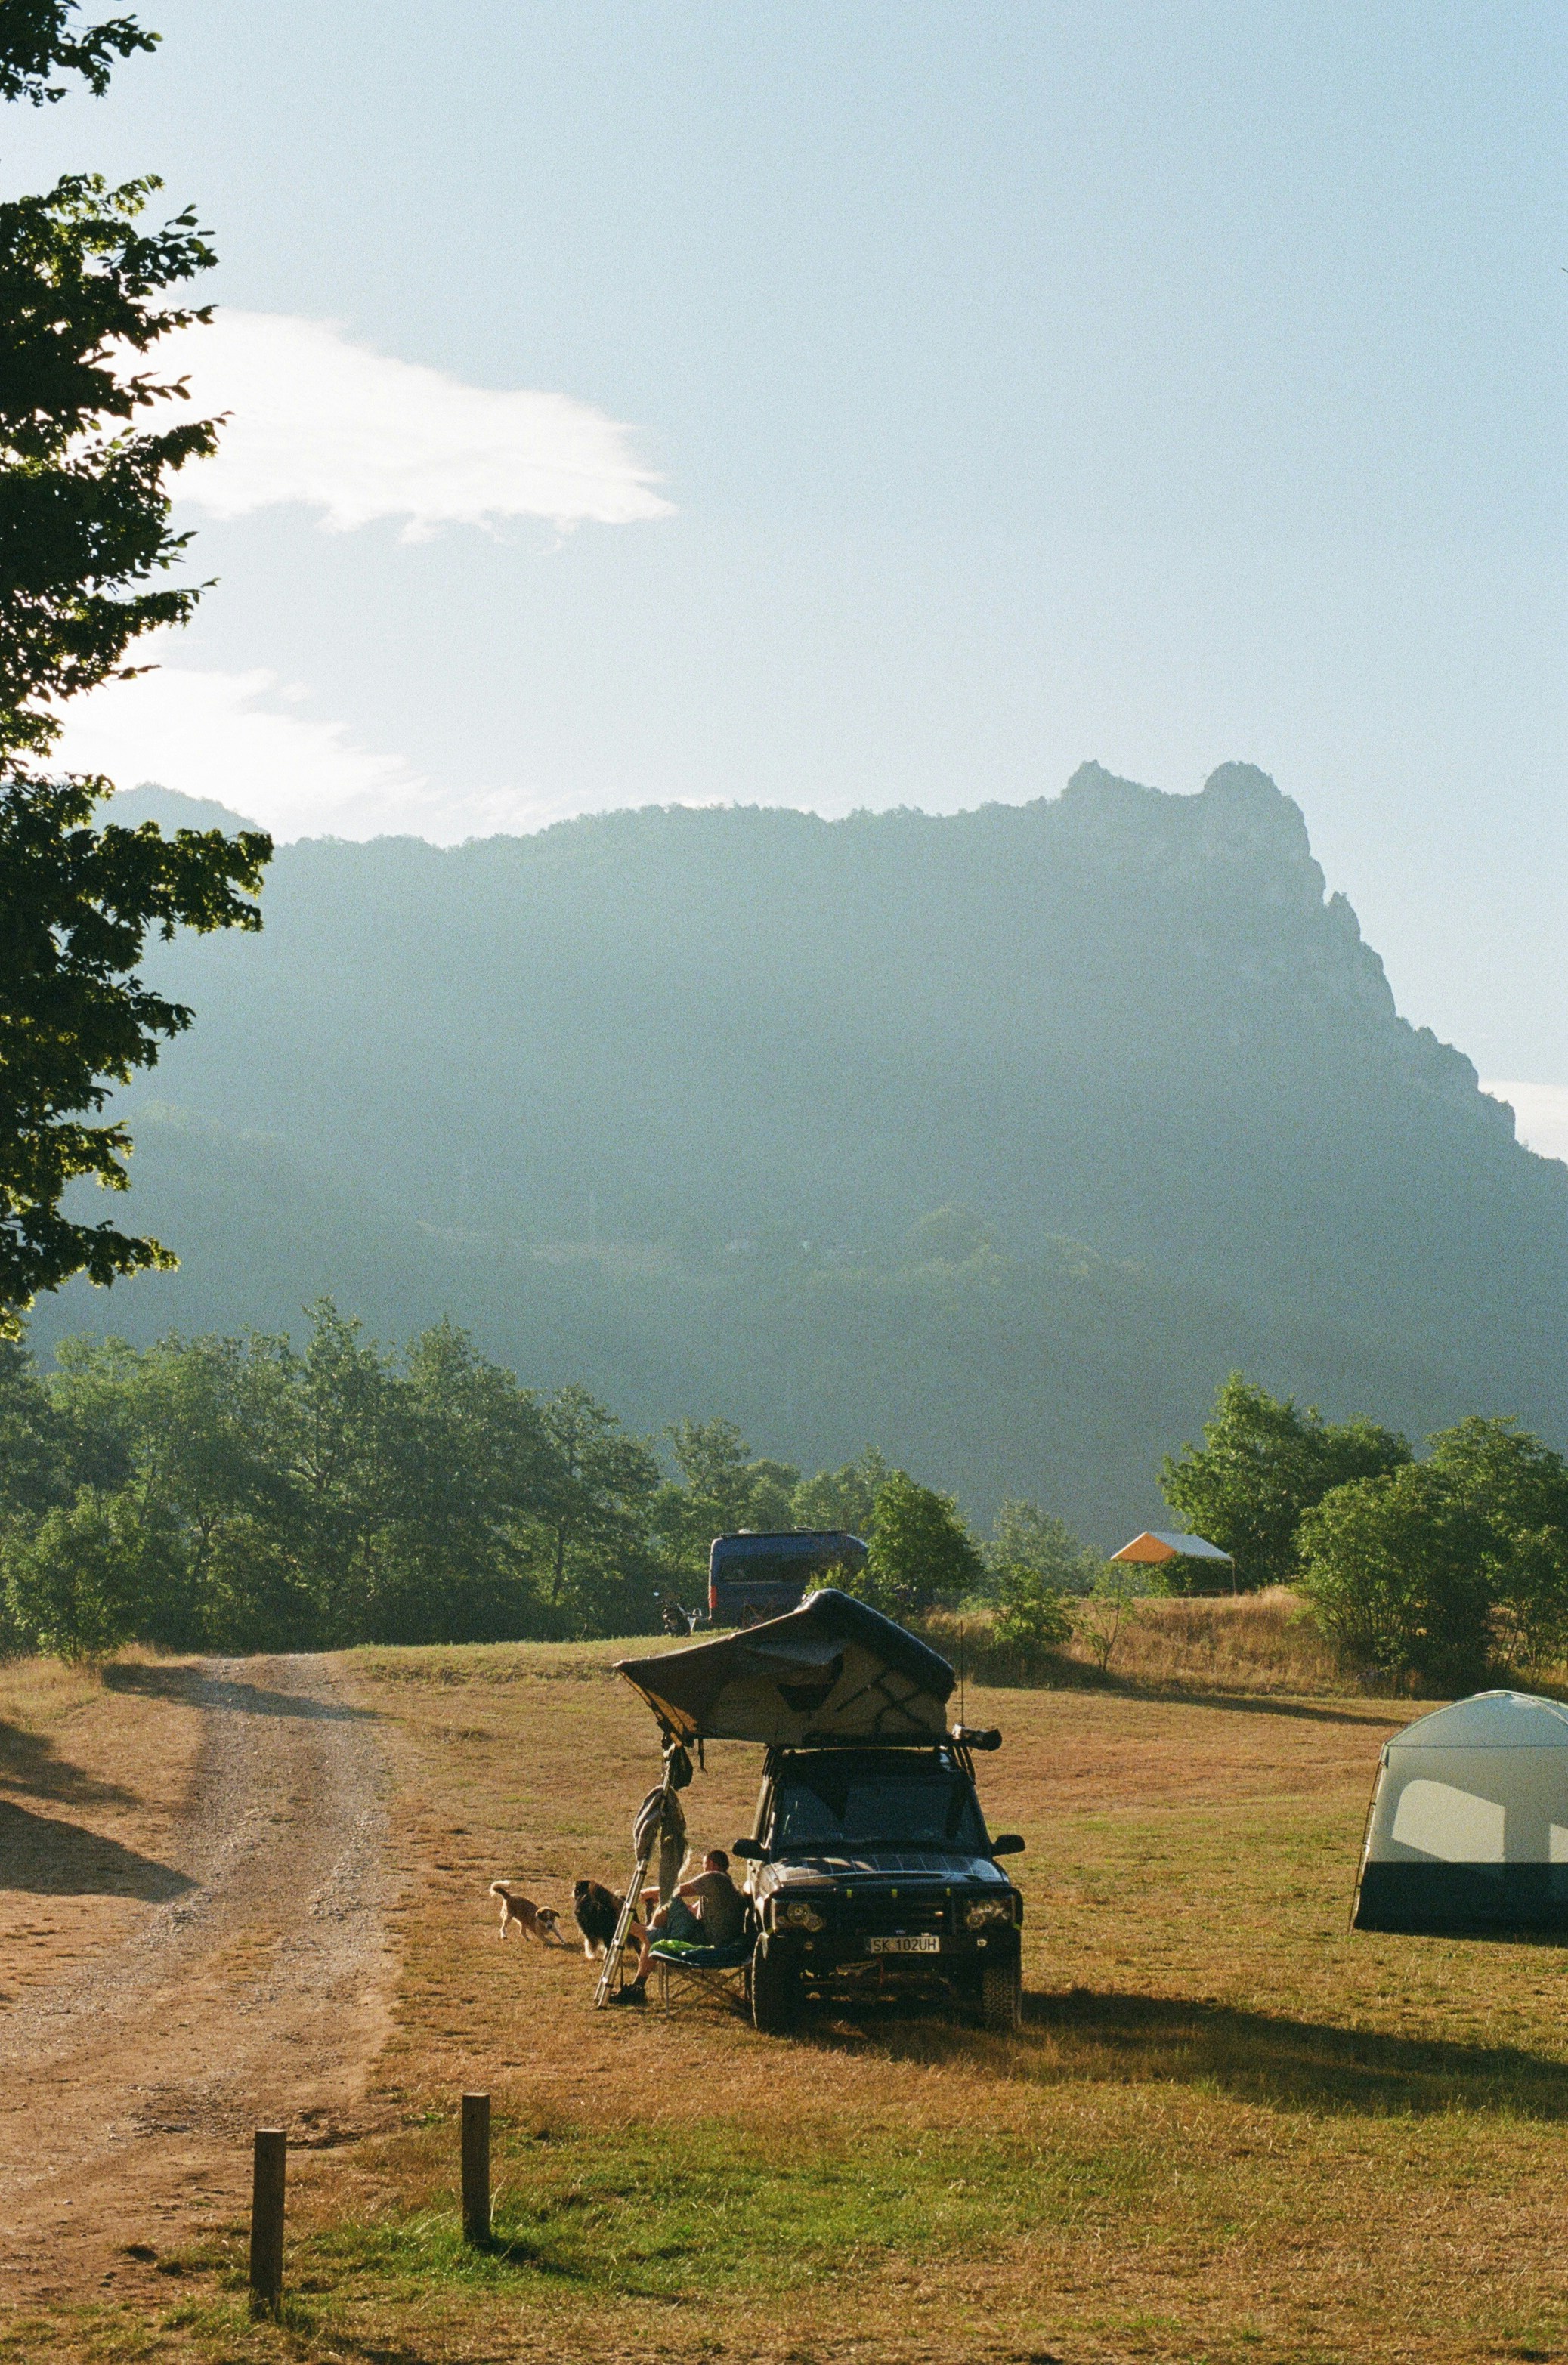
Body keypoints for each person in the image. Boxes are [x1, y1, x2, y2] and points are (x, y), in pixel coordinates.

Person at [623, 1848, 748, 1990]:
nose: (703, 1869)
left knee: (670, 1900)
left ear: (712, 1864)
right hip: (721, 1940)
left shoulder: (715, 1878)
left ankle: (645, 1934)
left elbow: (676, 1890)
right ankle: (639, 1984)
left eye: (704, 1865)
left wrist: (646, 1893)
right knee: (664, 1920)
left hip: (708, 1942)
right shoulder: (726, 1885)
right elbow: (695, 1910)